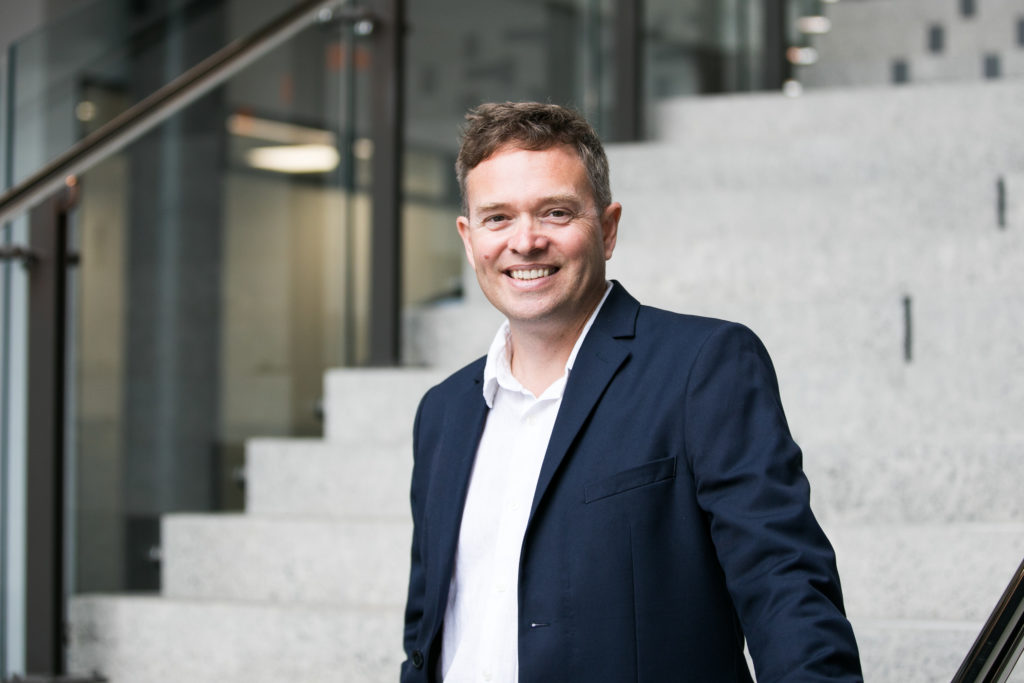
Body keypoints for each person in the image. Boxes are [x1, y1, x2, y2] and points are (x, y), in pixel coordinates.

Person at [401, 102, 862, 682]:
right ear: (470, 240)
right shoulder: (442, 412)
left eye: (556, 212)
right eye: (498, 218)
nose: (526, 241)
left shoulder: (703, 366)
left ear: (608, 228)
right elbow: (430, 629)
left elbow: (784, 583)